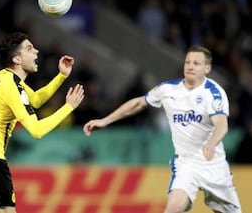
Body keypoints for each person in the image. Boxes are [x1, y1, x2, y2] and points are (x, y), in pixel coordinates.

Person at [83, 45, 241, 213]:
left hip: (214, 168)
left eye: (196, 63)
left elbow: (221, 124)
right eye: (188, 62)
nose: (190, 66)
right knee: (172, 209)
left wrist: (211, 143)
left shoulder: (213, 92)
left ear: (207, 68)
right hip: (186, 165)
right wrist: (105, 120)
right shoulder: (167, 89)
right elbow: (138, 103)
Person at [0, 32, 84, 213]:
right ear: (17, 59)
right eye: (29, 48)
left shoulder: (3, 77)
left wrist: (61, 76)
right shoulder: (12, 87)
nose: (36, 51)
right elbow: (36, 130)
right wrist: (68, 108)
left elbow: (34, 99)